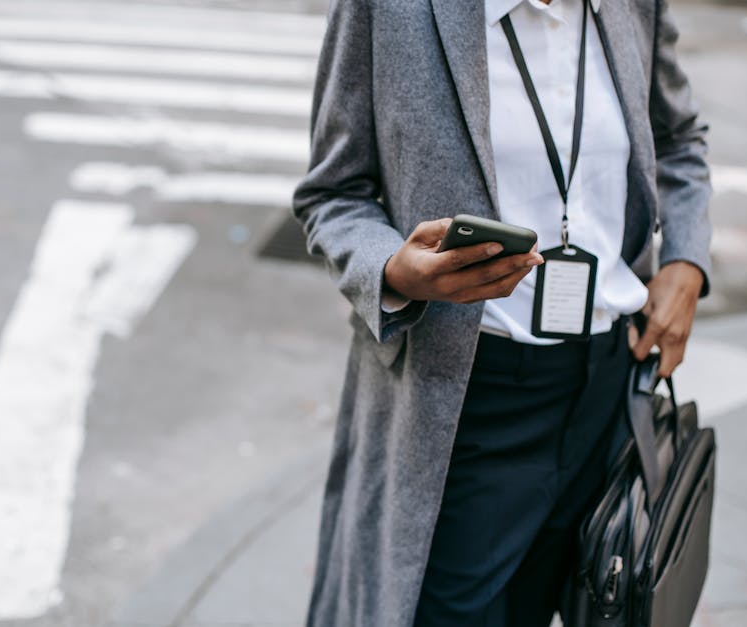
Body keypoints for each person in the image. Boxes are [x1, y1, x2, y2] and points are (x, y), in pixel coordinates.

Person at [292, 0, 711, 625]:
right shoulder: (388, 10)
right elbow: (332, 194)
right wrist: (392, 270)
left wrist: (685, 259)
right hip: (467, 401)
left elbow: (677, 141)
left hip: (608, 389)